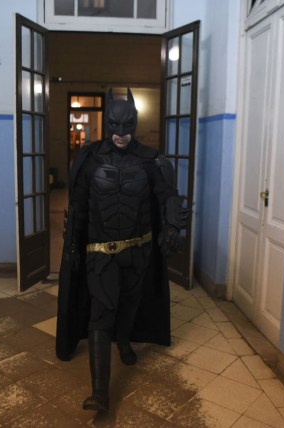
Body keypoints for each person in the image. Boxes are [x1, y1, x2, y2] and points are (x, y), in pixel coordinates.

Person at [55, 88, 187, 413]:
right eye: (115, 126)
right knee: (101, 314)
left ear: (135, 123)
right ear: (107, 123)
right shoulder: (89, 160)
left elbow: (168, 195)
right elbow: (79, 208)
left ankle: (125, 341)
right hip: (100, 252)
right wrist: (72, 247)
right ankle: (100, 392)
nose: (121, 134)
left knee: (130, 304)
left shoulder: (152, 161)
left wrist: (172, 226)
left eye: (127, 126)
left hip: (138, 250)